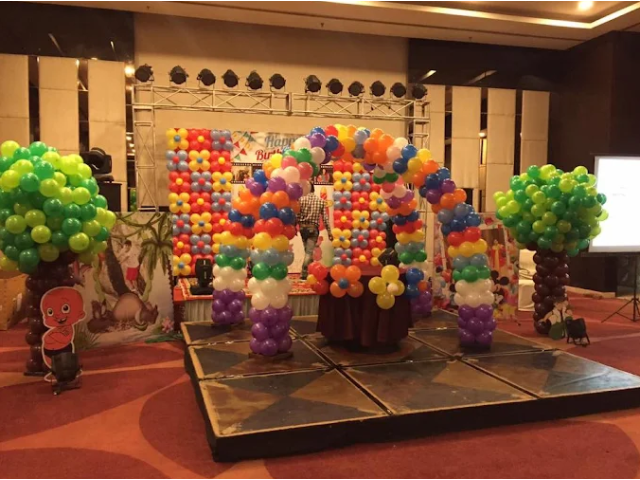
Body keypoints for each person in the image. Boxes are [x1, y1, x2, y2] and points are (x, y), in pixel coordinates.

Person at [297, 183, 333, 280]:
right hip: (313, 229)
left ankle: (309, 272)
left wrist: (295, 226)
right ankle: (304, 273)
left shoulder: (301, 200)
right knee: (309, 252)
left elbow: (297, 215)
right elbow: (325, 219)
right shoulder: (320, 201)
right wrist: (329, 232)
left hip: (302, 228)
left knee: (307, 251)